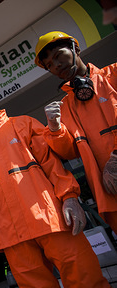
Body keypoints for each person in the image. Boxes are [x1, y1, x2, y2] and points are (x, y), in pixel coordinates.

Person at [0, 76, 115, 288]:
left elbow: (52, 164)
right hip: (12, 234)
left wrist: (69, 197)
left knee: (84, 279)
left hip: (51, 220)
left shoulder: (23, 124)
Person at [34, 31, 117, 233]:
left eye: (57, 56)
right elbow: (69, 152)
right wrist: (55, 129)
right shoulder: (65, 107)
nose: (56, 66)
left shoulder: (114, 75)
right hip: (111, 195)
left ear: (75, 49)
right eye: (50, 65)